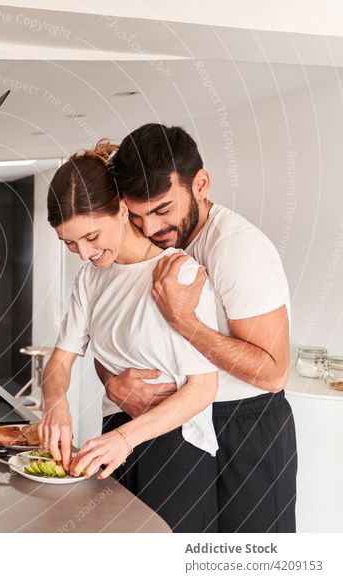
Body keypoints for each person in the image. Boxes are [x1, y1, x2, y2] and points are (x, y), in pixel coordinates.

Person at [103, 123, 297, 533]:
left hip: (243, 427)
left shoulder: (237, 248)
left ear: (201, 183)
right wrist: (110, 381)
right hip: (180, 426)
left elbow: (273, 371)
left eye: (162, 210)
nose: (151, 229)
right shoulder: (149, 246)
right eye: (136, 216)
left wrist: (184, 321)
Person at [39, 140, 221, 532]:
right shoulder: (91, 278)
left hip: (177, 447)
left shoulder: (177, 272)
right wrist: (55, 401)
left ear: (122, 208)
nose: (83, 252)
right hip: (116, 438)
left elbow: (203, 388)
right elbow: (60, 360)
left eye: (91, 237)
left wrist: (125, 439)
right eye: (69, 243)